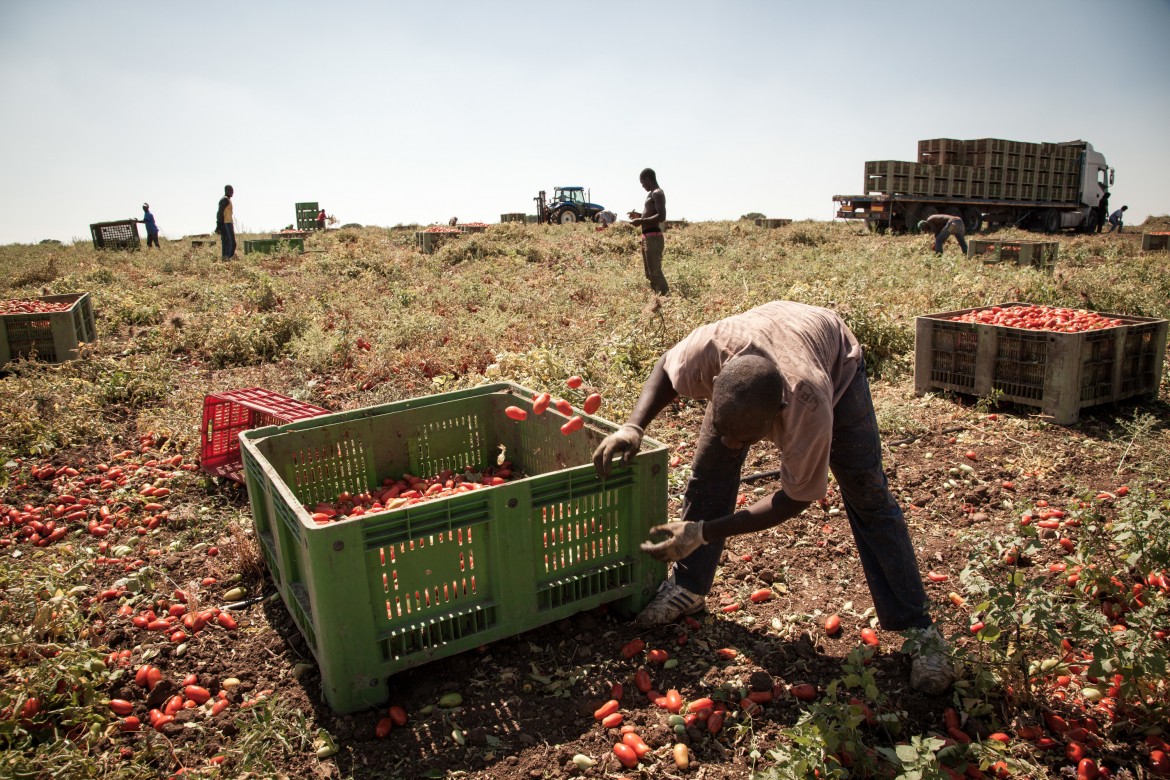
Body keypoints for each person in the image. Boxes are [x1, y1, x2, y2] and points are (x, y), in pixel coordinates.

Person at [592, 300, 955, 695]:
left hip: (834, 360)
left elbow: (794, 499)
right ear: (716, 384)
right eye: (723, 427)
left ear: (777, 415)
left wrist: (703, 531)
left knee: (867, 492)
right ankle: (689, 587)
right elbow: (666, 366)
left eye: (744, 439)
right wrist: (633, 426)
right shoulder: (713, 348)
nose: (732, 443)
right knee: (709, 471)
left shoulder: (808, 405)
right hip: (765, 333)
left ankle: (920, 630)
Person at [627, 168, 669, 295]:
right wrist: (638, 216)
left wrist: (641, 221)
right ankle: (657, 300)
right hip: (647, 238)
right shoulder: (651, 194)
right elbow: (651, 214)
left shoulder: (658, 193)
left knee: (655, 273)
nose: (642, 186)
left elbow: (661, 216)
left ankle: (665, 299)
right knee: (649, 274)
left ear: (647, 179)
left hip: (653, 238)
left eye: (642, 183)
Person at [216, 185, 236, 260]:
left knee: (226, 242)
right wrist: (218, 225)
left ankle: (225, 257)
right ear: (226, 191)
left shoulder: (227, 199)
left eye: (232, 190)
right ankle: (227, 258)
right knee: (232, 242)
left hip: (227, 223)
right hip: (226, 223)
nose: (232, 192)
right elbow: (219, 213)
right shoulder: (224, 200)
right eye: (230, 190)